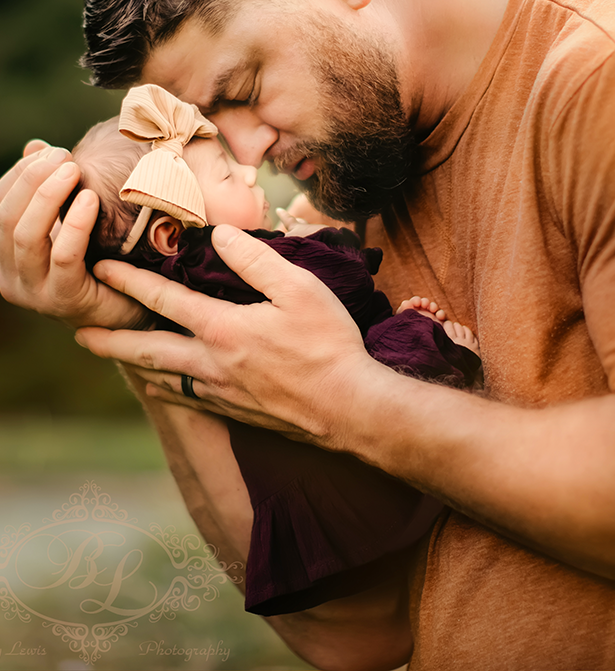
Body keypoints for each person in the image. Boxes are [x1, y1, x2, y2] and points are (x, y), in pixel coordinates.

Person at [0, 0, 615, 671]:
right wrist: (149, 319)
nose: (249, 153)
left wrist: (350, 401)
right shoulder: (358, 175)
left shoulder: (602, 79)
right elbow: (354, 631)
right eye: (208, 132)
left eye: (243, 89)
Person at [70, 82, 480, 617]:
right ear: (172, 235)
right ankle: (450, 357)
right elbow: (344, 284)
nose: (247, 169)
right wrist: (325, 240)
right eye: (223, 173)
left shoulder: (187, 289)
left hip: (306, 489)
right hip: (361, 480)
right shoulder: (235, 258)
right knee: (394, 343)